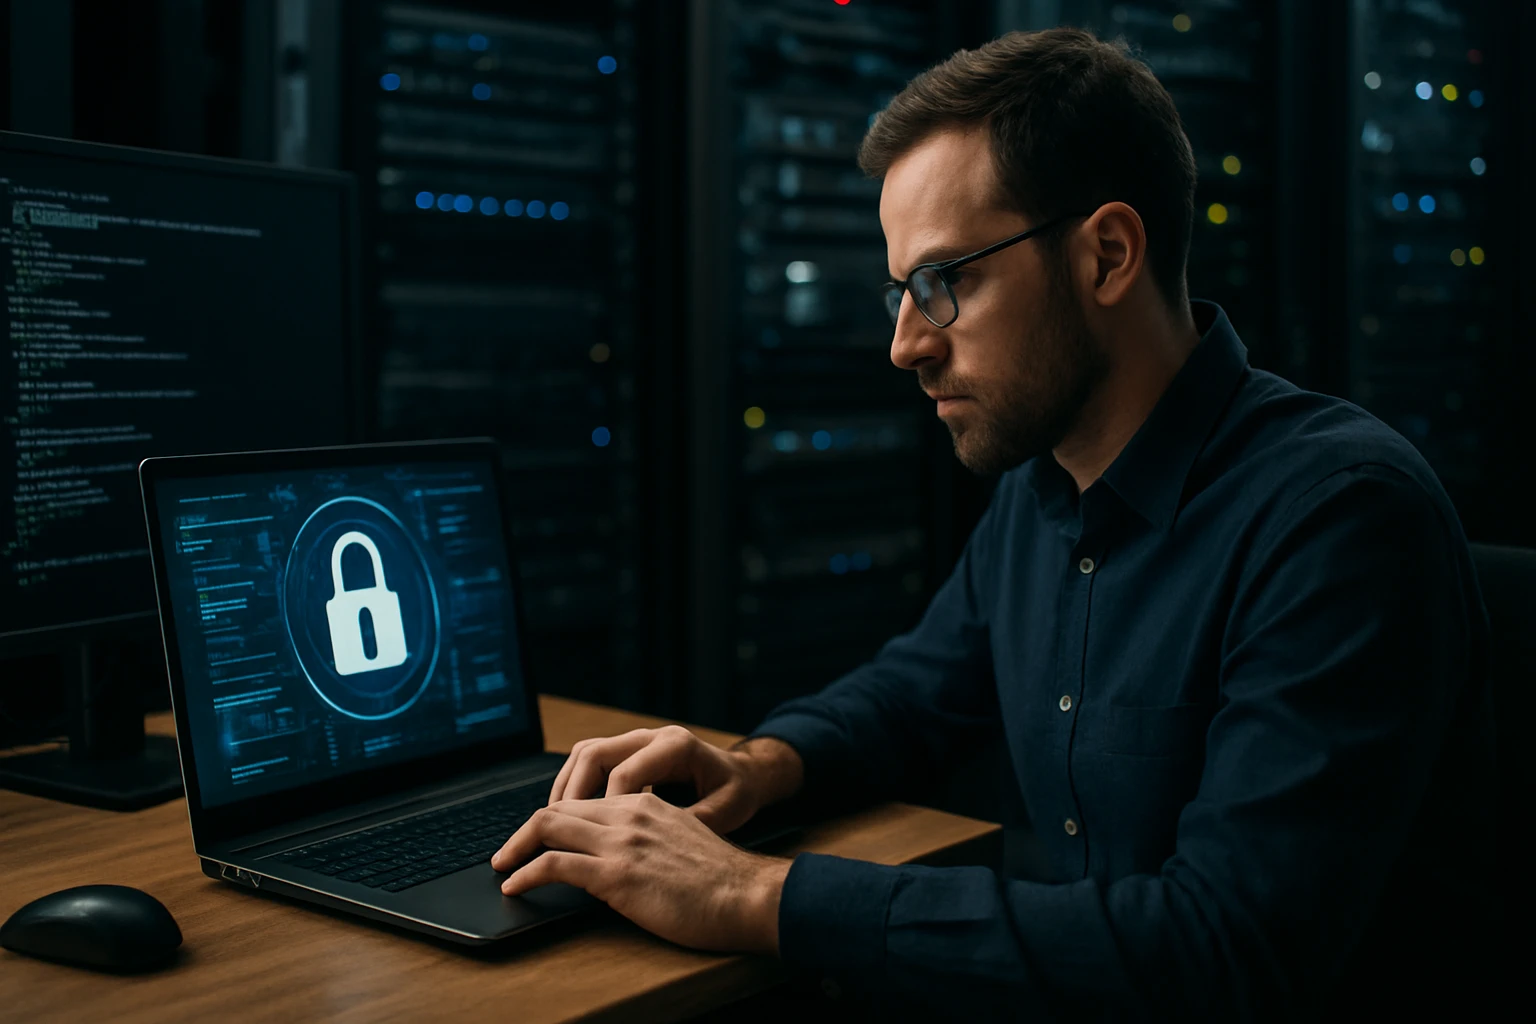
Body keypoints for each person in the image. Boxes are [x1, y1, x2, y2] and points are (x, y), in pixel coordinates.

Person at [492, 27, 1495, 1019]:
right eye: (899, 292)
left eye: (944, 284)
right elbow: (916, 694)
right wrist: (761, 766)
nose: (904, 345)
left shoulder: (1341, 519)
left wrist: (746, 892)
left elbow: (1220, 949)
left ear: (1106, 253)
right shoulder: (1046, 486)